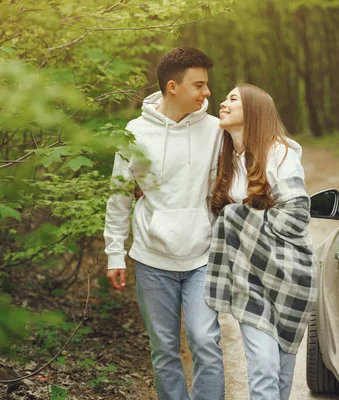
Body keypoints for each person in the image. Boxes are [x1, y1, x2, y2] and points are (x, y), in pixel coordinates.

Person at [103, 47, 224, 400]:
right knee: (165, 349)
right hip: (153, 257)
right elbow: (119, 195)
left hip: (202, 255)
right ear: (173, 86)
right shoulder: (136, 132)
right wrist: (115, 253)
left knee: (205, 340)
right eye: (199, 85)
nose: (207, 93)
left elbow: (223, 190)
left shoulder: (215, 129)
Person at [206, 83, 318, 400]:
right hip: (247, 277)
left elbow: (296, 216)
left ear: (253, 111)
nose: (222, 103)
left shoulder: (279, 155)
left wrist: (237, 216)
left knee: (282, 371)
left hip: (289, 274)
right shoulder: (225, 159)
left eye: (232, 99)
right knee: (265, 366)